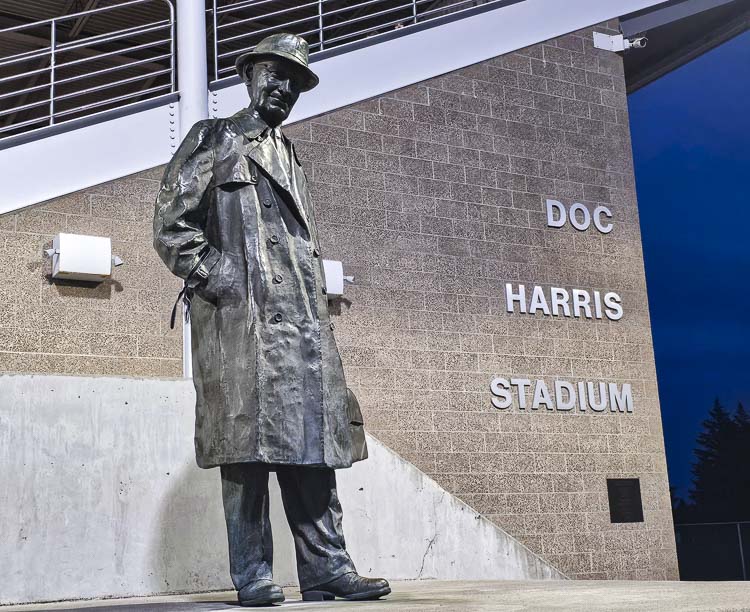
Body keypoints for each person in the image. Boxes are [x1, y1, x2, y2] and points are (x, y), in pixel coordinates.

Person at [153, 32, 390, 607]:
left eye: (295, 81)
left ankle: (328, 569)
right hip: (244, 326)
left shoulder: (292, 157)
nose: (284, 87)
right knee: (246, 455)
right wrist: (220, 276)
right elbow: (171, 225)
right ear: (250, 75)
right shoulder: (214, 138)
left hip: (303, 333)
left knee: (312, 449)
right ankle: (254, 575)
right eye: (274, 74)